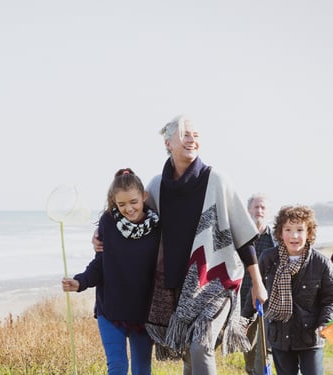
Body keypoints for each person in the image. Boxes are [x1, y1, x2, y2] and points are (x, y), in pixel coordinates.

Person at [94, 115, 268, 374]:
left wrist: (257, 283)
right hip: (176, 286)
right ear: (168, 143)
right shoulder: (156, 186)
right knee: (188, 352)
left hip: (216, 282)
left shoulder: (217, 180)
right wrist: (100, 231)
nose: (192, 140)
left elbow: (243, 236)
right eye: (186, 134)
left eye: (196, 135)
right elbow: (132, 216)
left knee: (201, 345)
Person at [62, 168, 161, 375]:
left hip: (143, 314)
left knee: (142, 370)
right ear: (114, 202)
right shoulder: (108, 222)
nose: (129, 209)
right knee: (117, 368)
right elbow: (100, 263)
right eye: (121, 204)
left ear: (144, 197)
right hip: (110, 309)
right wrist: (80, 282)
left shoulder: (158, 228)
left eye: (134, 202)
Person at [247, 205, 333, 375]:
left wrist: (325, 322)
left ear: (308, 232)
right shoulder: (268, 258)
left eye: (300, 230)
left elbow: (329, 298)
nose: (294, 236)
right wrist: (245, 318)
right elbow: (256, 289)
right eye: (288, 229)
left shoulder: (321, 263)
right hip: (280, 335)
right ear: (280, 232)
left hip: (311, 336)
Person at [241, 194, 277, 375]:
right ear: (249, 210)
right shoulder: (241, 238)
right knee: (247, 347)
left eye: (263, 207)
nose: (259, 211)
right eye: (256, 207)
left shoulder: (275, 240)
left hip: (267, 302)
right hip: (243, 300)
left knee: (264, 352)